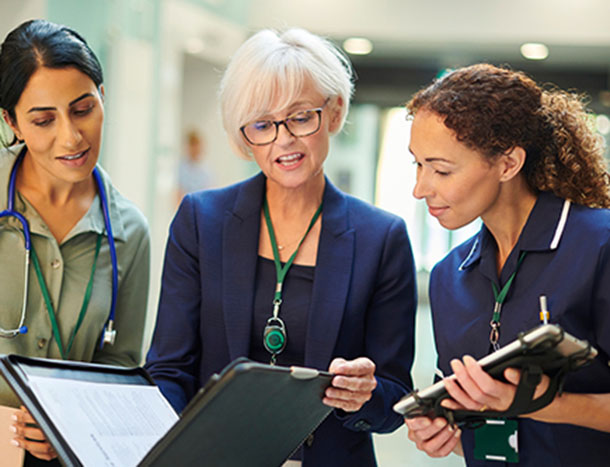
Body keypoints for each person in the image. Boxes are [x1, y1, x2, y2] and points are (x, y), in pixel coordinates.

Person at [145, 28, 417, 466]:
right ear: (243, 134)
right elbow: (169, 369)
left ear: (334, 112)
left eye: (300, 117)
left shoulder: (380, 237)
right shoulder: (202, 221)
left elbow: (393, 399)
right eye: (262, 124)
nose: (284, 139)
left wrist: (365, 396)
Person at [404, 63, 610, 465]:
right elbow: (470, 420)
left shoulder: (599, 245)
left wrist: (544, 403)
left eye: (441, 169)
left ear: (508, 164)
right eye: (418, 164)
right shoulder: (450, 275)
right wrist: (441, 427)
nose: (420, 188)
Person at [0, 20, 151, 465]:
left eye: (83, 109)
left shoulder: (129, 232)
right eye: (44, 120)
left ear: (103, 96)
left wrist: (68, 423)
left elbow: (121, 366)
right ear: (12, 122)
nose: (71, 137)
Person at [176, 129, 215, 203]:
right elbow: (178, 194)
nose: (196, 149)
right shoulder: (181, 169)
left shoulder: (207, 171)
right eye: (193, 145)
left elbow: (210, 195)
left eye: (197, 145)